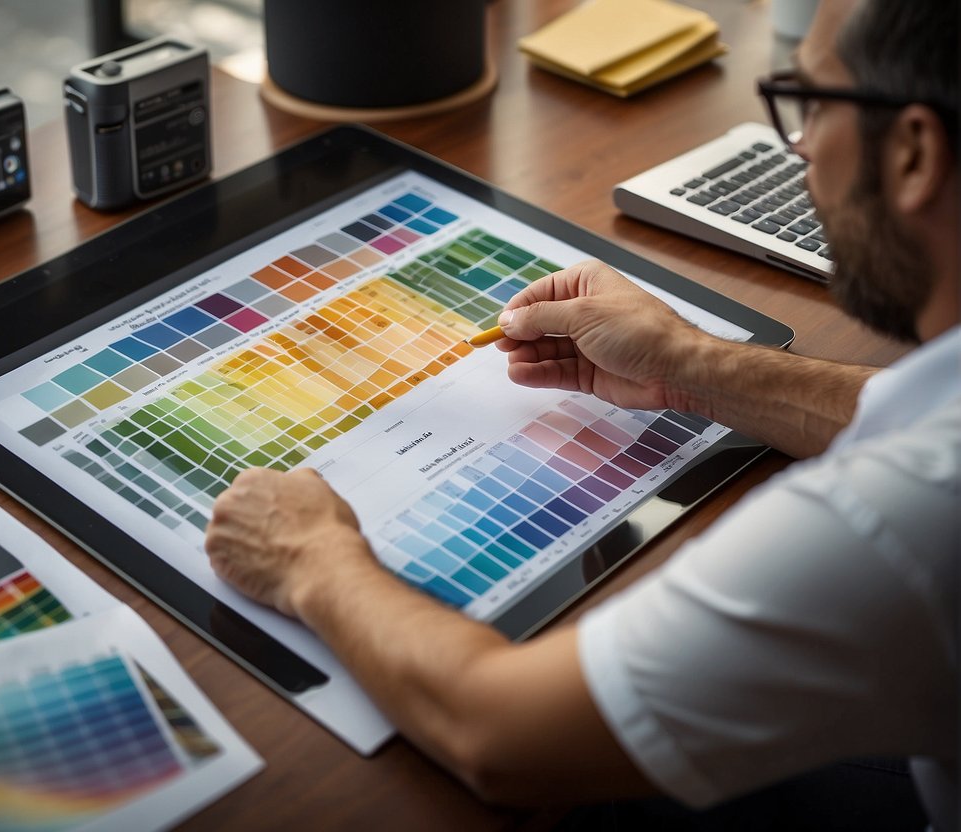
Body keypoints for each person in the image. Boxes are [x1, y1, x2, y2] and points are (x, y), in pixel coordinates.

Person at [204, 0, 959, 827]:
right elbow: (911, 409)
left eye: (813, 103)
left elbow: (499, 732)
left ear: (915, 153)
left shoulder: (899, 514)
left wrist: (312, 557)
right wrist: (689, 366)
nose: (801, 144)